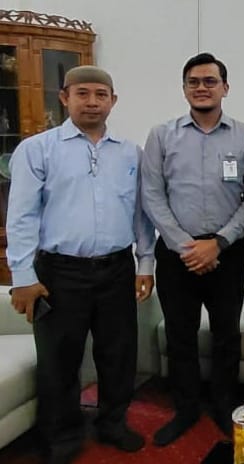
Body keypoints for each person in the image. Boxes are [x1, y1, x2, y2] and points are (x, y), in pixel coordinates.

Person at [6, 65, 155, 464]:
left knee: (118, 354)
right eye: (82, 93)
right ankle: (62, 436)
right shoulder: (37, 150)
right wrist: (22, 276)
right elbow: (21, 217)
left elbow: (140, 213)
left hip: (117, 269)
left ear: (113, 101)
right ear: (65, 97)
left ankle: (113, 423)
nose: (92, 102)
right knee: (59, 358)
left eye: (100, 95)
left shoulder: (129, 152)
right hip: (58, 272)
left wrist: (145, 263)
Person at [141, 52, 244, 445]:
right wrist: (186, 246)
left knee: (227, 334)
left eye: (210, 81)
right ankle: (186, 408)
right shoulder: (162, 135)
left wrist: (219, 243)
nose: (202, 88)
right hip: (177, 254)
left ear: (225, 87)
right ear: (184, 88)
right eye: (194, 81)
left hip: (229, 252)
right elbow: (152, 195)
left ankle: (224, 405)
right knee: (180, 334)